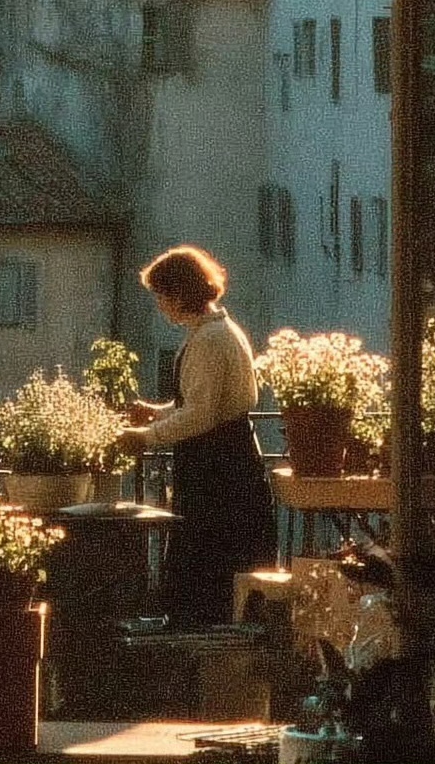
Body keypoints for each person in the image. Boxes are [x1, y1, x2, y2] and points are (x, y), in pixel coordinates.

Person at [117, 245, 277, 627]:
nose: (159, 305)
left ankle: (202, 634)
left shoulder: (208, 339)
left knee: (209, 559)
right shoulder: (219, 331)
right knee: (221, 556)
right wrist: (157, 413)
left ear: (177, 295)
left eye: (161, 296)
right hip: (226, 458)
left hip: (217, 467)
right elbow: (206, 405)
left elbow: (202, 414)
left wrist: (146, 436)